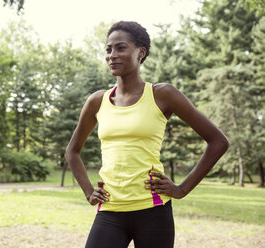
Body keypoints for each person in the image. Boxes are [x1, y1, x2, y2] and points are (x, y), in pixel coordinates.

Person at [65, 21, 229, 248]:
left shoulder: (162, 95)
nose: (112, 55)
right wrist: (88, 192)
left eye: (121, 48)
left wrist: (182, 189)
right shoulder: (97, 101)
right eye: (108, 49)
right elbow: (72, 151)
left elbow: (218, 141)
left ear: (141, 52)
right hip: (111, 210)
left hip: (153, 211)